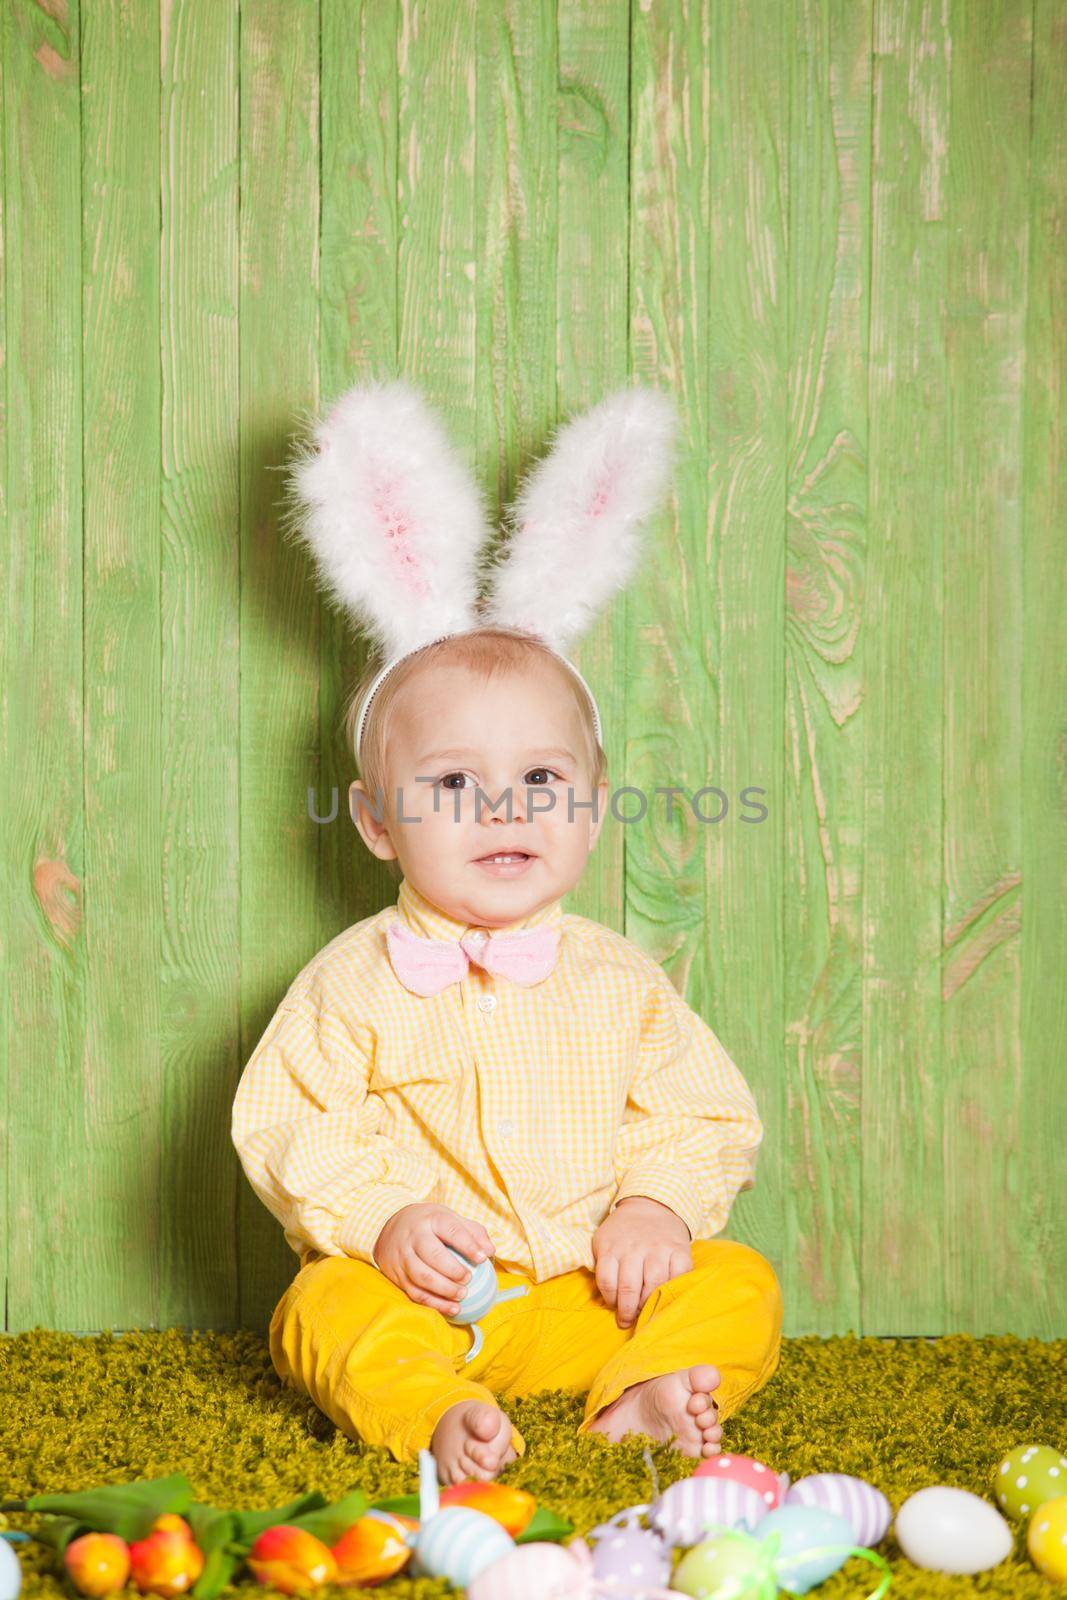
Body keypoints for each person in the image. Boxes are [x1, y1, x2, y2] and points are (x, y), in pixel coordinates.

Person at [230, 381, 783, 1486]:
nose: (505, 809)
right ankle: (436, 1414)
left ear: (589, 805)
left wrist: (652, 1207)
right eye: (452, 784)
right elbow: (283, 1117)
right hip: (428, 1309)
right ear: (380, 823)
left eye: (540, 779)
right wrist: (382, 1220)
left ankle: (645, 1386)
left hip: (591, 1298)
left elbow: (704, 1108)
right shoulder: (351, 984)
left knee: (738, 1281)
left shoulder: (617, 981)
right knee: (319, 1308)